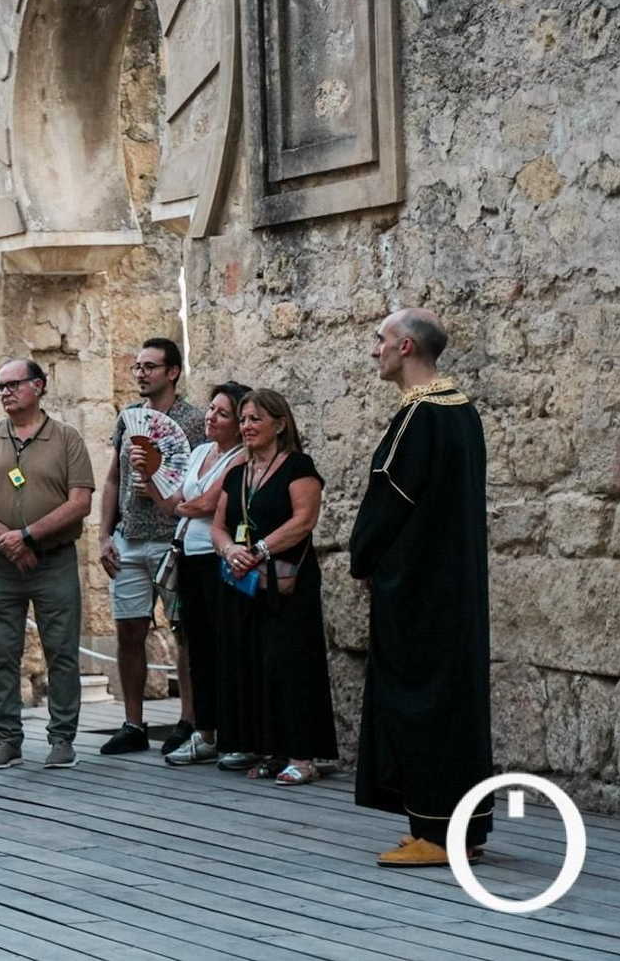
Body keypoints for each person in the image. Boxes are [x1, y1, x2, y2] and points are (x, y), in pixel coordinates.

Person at [350, 309, 493, 867]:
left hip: (419, 590)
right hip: (451, 585)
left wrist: (364, 557)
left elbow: (389, 501)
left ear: (406, 347)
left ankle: (437, 833)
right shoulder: (462, 412)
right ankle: (463, 829)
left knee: (424, 702)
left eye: (379, 340)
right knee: (453, 703)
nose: (373, 350)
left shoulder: (419, 418)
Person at [0, 359, 96, 771]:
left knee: (62, 651)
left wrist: (29, 535)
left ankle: (62, 739)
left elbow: (80, 502)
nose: (4, 392)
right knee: (1, 652)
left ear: (38, 386)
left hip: (53, 561)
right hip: (1, 563)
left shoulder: (67, 439)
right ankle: (7, 739)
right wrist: (9, 540)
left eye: (12, 385)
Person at [208, 389, 336, 786]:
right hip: (245, 581)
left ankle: (302, 753)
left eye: (255, 419)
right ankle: (270, 749)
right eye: (243, 419)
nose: (246, 426)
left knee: (291, 662)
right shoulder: (236, 473)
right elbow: (218, 525)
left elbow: (304, 519)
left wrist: (260, 550)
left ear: (279, 425)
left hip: (286, 583)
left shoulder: (299, 467)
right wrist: (230, 551)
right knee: (253, 662)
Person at [97, 338, 205, 756]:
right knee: (128, 631)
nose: (141, 373)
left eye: (150, 367)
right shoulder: (129, 418)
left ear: (173, 372)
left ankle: (188, 719)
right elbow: (112, 478)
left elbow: (197, 476)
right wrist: (105, 533)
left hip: (173, 537)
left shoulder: (194, 421)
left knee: (184, 632)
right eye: (137, 367)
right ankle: (133, 722)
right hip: (129, 538)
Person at [154, 383, 249, 766]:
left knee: (227, 647)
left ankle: (236, 733)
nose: (210, 417)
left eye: (222, 413)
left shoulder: (241, 459)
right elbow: (179, 502)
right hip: (191, 556)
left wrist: (186, 505)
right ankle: (206, 730)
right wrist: (181, 502)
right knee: (198, 647)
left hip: (218, 558)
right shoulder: (200, 453)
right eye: (211, 409)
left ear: (239, 424)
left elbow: (205, 504)